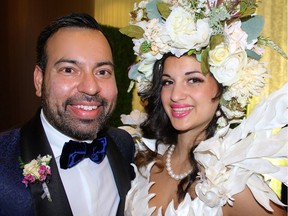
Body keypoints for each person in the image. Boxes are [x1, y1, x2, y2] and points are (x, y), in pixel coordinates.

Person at [119, 0, 288, 215]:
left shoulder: (231, 183)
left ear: (222, 88)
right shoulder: (143, 161)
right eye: (168, 82)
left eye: (194, 80)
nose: (176, 95)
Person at [0, 13, 135, 216]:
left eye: (102, 72)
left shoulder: (123, 144)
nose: (90, 88)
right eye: (69, 70)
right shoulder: (3, 161)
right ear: (39, 80)